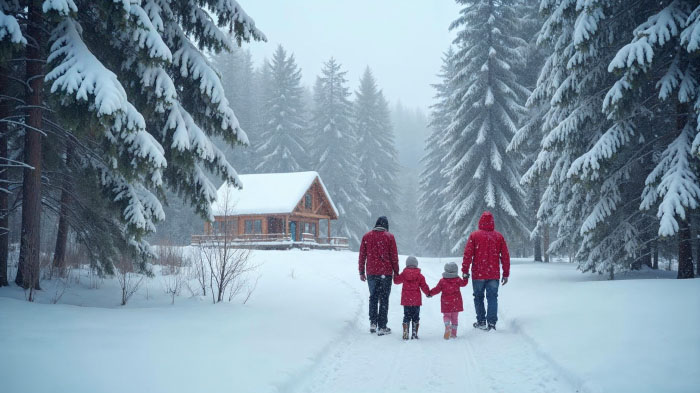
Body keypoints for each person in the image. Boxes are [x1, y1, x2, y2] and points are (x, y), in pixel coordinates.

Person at [462, 211, 510, 331]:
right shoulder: (498, 237)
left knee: (478, 297)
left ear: (480, 221)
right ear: (492, 222)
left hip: (478, 274)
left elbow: (468, 255)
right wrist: (505, 273)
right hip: (493, 274)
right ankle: (492, 323)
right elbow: (505, 256)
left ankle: (481, 321)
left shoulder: (474, 236)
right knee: (492, 297)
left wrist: (465, 271)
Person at [358, 216, 399, 336]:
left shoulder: (367, 236)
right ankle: (382, 326)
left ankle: (373, 323)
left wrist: (361, 272)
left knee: (373, 297)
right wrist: (396, 272)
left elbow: (362, 255)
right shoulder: (390, 237)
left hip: (371, 272)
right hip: (385, 273)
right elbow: (394, 257)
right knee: (384, 299)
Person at [393, 256, 431, 340]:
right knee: (415, 317)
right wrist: (428, 293)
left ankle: (405, 332)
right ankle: (414, 333)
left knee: (406, 316)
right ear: (416, 265)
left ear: (407, 264)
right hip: (416, 301)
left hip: (406, 300)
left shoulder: (404, 274)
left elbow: (396, 281)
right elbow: (424, 286)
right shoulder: (420, 276)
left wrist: (395, 274)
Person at [429, 262, 469, 340]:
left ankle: (447, 326)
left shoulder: (442, 281)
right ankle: (453, 334)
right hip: (456, 302)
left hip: (446, 302)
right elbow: (464, 283)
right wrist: (465, 277)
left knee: (446, 316)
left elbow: (437, 289)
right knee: (455, 318)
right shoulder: (457, 279)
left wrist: (430, 293)